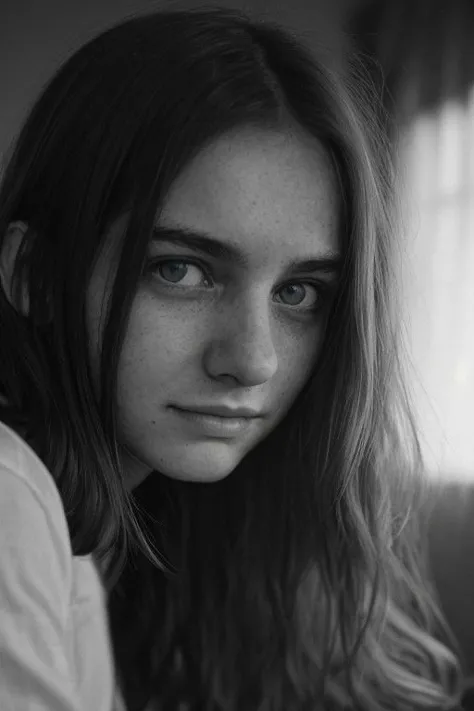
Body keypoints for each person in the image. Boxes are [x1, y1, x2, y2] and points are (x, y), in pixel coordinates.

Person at [0, 6, 466, 711]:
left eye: (299, 291)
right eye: (181, 270)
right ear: (35, 276)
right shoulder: (10, 491)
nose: (253, 361)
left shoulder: (105, 534)